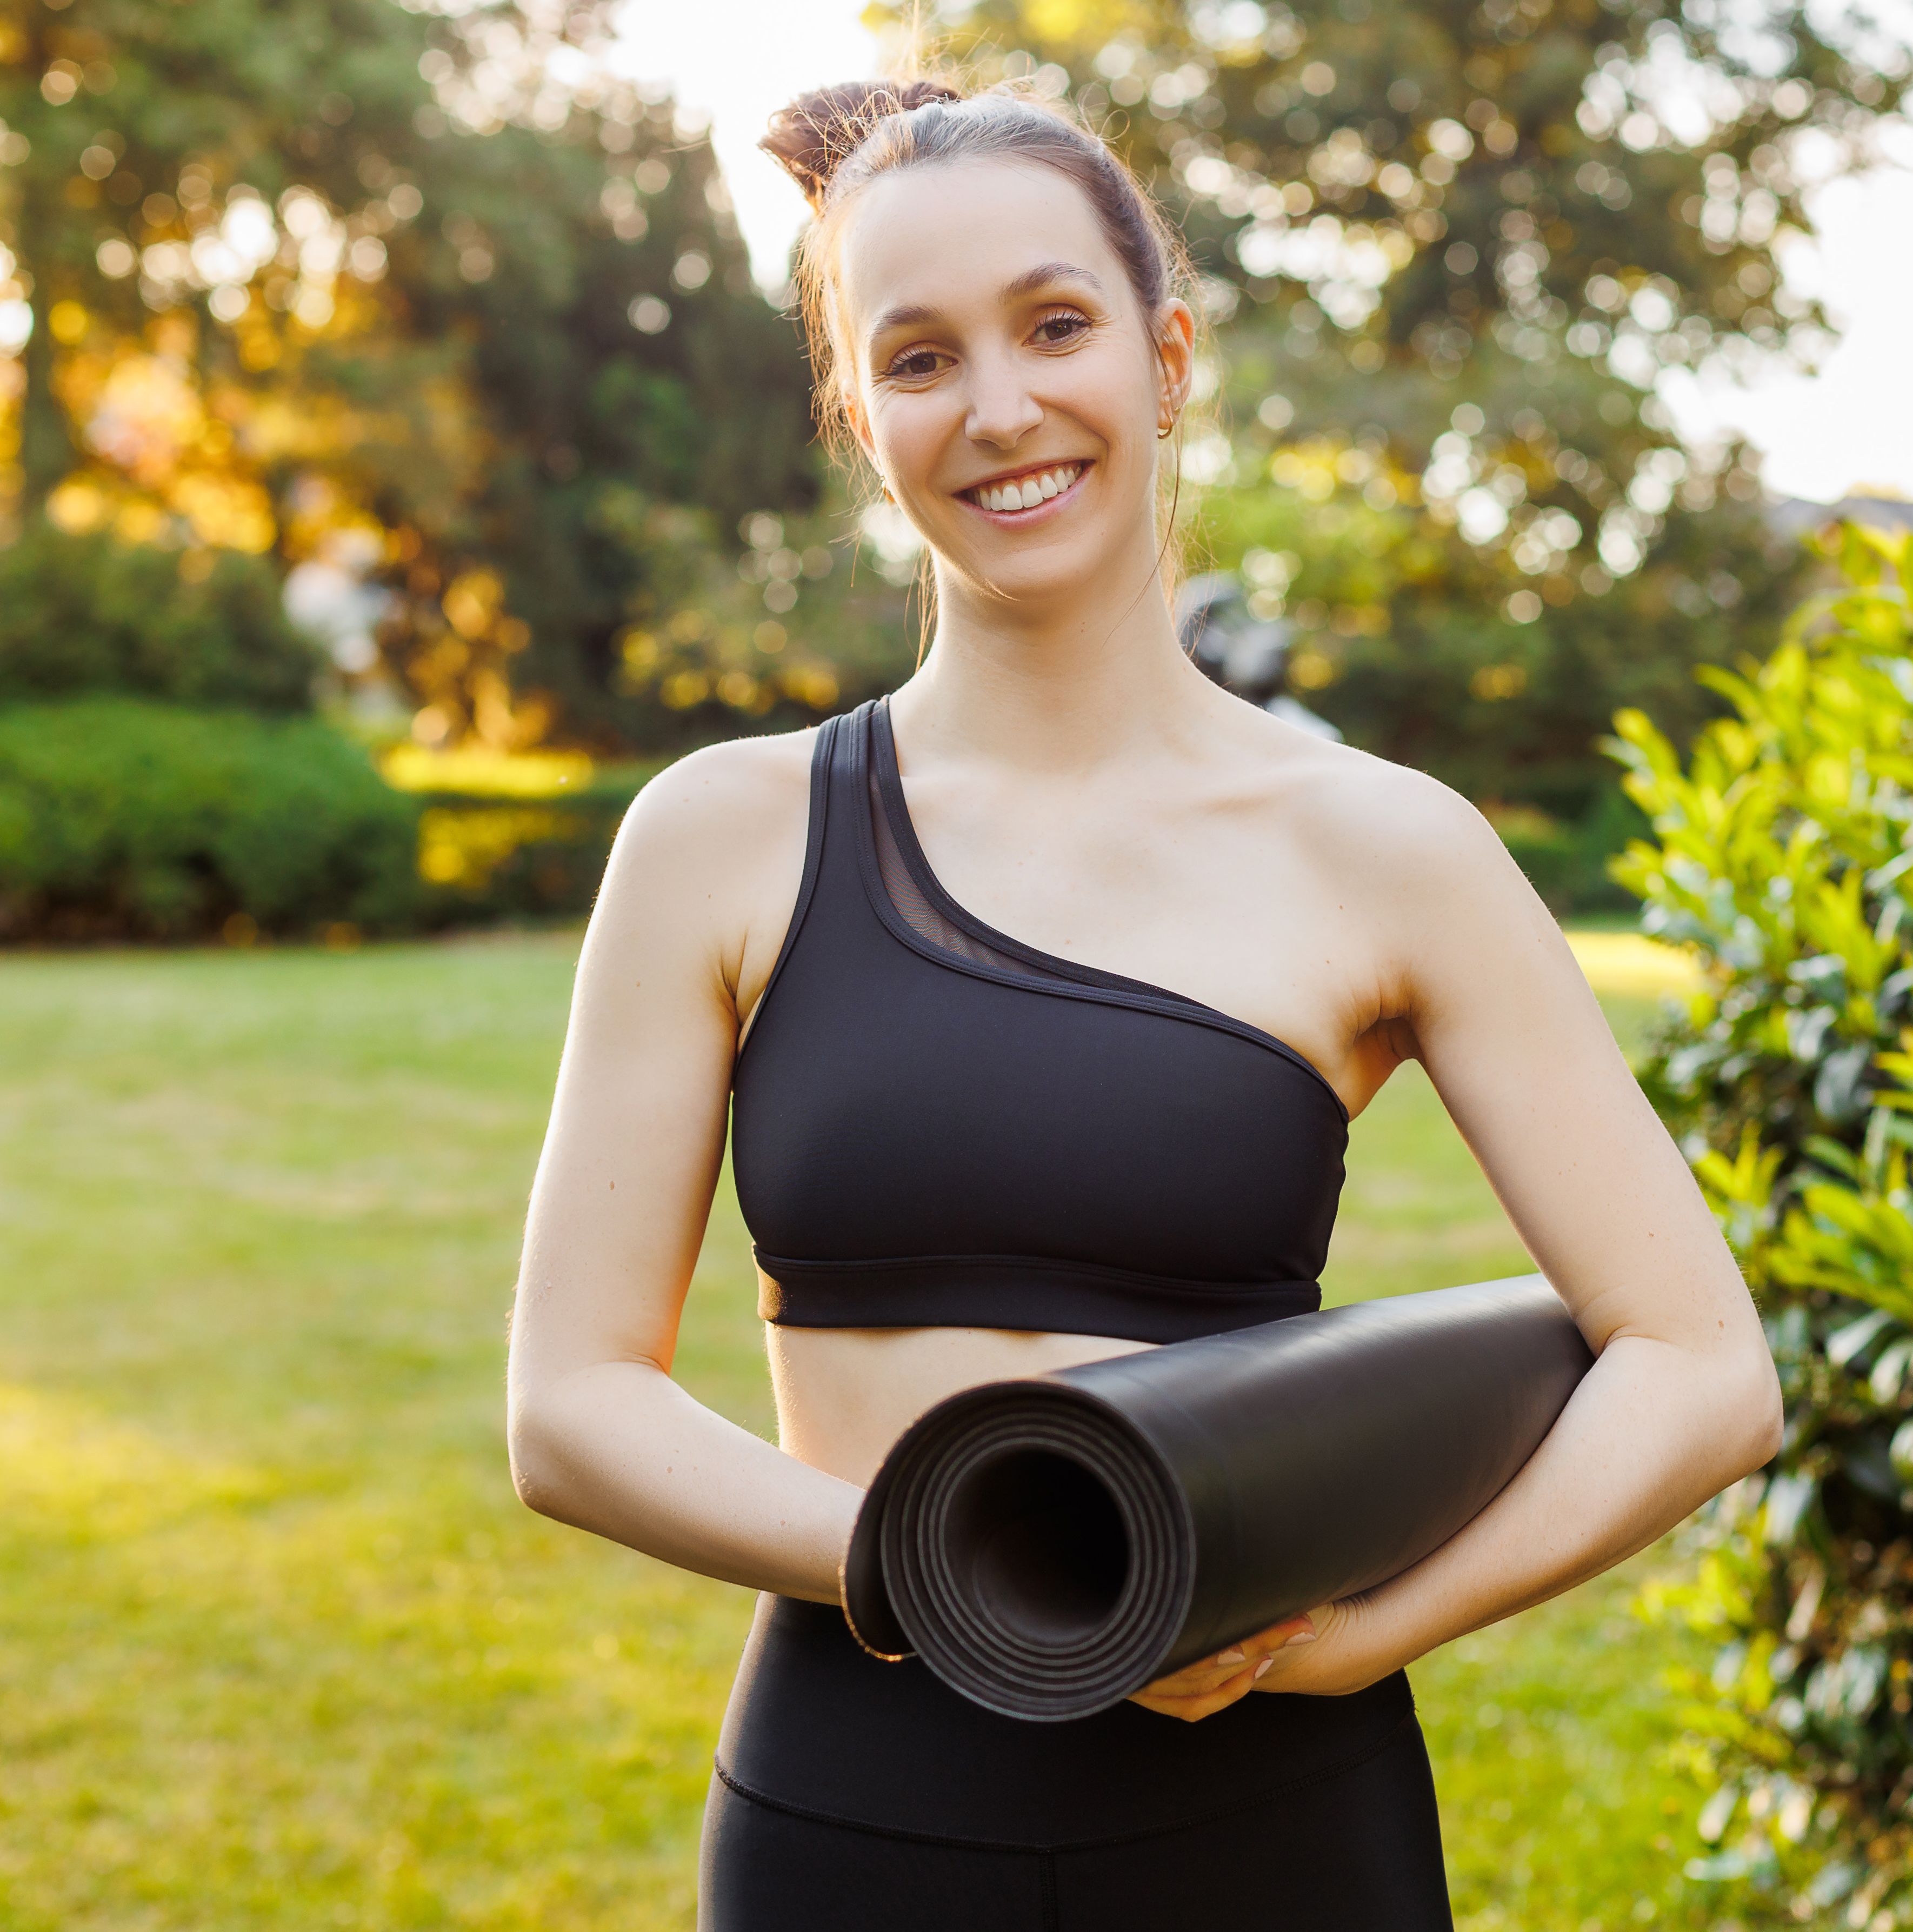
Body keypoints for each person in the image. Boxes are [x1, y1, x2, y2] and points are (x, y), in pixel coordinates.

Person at [504, 76, 1782, 1931]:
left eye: (1054, 326)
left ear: (1165, 355)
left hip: (1267, 1823)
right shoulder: (720, 837)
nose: (1001, 409)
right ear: (859, 417)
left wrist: (1359, 1643)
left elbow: (1700, 1368)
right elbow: (569, 1410)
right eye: (919, 357)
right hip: (853, 1823)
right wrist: (952, 1562)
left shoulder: (1385, 849)